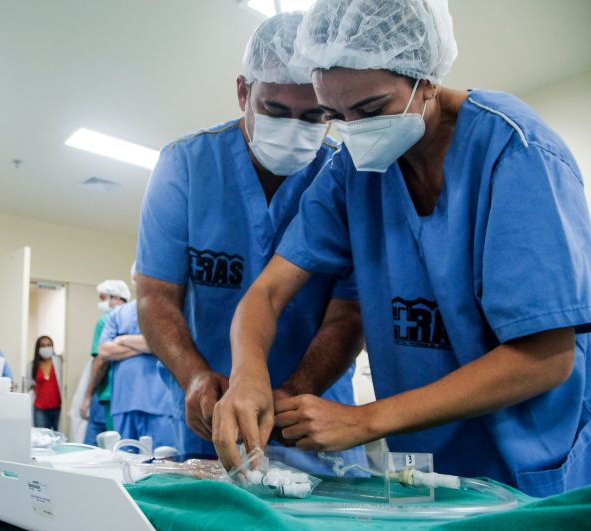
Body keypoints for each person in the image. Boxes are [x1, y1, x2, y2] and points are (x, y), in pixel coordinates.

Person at [213, 0, 591, 498]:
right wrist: (247, 375)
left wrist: (367, 419)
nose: (355, 131)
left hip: (526, 467)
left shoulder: (516, 152)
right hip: (425, 467)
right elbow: (266, 294)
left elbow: (545, 358)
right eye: (337, 115)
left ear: (427, 77)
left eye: (371, 110)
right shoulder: (352, 174)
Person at [136, 11, 364, 469]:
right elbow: (155, 296)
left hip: (311, 414)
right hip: (210, 412)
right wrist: (196, 376)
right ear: (244, 92)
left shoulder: (347, 178)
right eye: (276, 111)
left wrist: (295, 393)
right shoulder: (187, 166)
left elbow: (349, 313)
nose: (295, 129)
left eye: (315, 115)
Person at [98, 274, 176, 447]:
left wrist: (123, 339)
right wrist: (148, 344)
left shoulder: (168, 311)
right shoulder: (118, 314)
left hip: (159, 402)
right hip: (125, 401)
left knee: (162, 460)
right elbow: (103, 350)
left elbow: (166, 344)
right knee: (124, 459)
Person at [80, 280, 130, 444]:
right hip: (132, 394)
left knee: (108, 447)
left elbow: (101, 360)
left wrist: (87, 396)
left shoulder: (106, 320)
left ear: (116, 298)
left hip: (109, 392)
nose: (100, 303)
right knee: (129, 445)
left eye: (103, 298)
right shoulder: (135, 319)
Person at [28, 335, 63, 431]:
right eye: (43, 346)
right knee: (41, 439)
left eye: (48, 345)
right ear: (38, 349)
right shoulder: (32, 365)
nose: (46, 348)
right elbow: (29, 385)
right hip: (40, 409)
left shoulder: (59, 362)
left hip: (58, 408)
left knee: (58, 439)